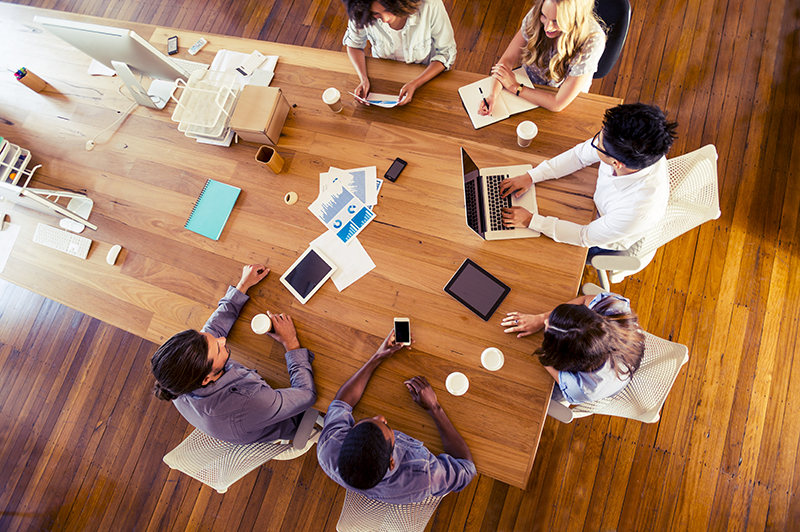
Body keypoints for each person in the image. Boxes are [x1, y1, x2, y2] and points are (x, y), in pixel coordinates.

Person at [151, 263, 316, 445]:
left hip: (257, 406)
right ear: (206, 379)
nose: (221, 340)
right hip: (292, 419)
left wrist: (242, 286)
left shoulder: (177, 381)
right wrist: (290, 343)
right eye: (218, 348)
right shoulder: (249, 402)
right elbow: (306, 395)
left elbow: (213, 329)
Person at [317, 330, 476, 503]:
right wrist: (434, 408)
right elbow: (466, 469)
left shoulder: (328, 447)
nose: (381, 417)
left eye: (368, 422)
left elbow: (341, 403)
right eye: (386, 426)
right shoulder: (423, 477)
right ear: (391, 462)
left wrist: (377, 357)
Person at [500, 102, 678, 253]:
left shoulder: (636, 211)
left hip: (603, 237)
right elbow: (579, 156)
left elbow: (584, 236)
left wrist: (531, 220)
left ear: (616, 164)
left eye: (599, 144)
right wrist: (532, 176)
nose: (595, 143)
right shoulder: (627, 147)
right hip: (599, 207)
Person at [502, 292, 644, 404]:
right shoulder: (615, 306)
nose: (547, 321)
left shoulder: (581, 388)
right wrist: (541, 318)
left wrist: (547, 347)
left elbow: (546, 359)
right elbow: (584, 300)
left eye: (547, 324)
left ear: (566, 359)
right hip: (625, 355)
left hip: (598, 384)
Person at [479, 0, 605, 114]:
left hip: (562, 96)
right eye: (544, 16)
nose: (547, 27)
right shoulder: (539, 13)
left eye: (556, 21)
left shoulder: (592, 40)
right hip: (528, 83)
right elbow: (507, 61)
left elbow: (557, 104)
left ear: (574, 20)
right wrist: (492, 96)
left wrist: (514, 87)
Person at [342, 0, 457, 106]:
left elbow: (446, 53)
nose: (385, 19)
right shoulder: (362, 10)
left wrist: (415, 84)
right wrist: (363, 79)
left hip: (426, 76)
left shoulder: (430, 5)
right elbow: (354, 45)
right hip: (383, 78)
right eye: (375, 13)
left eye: (389, 10)